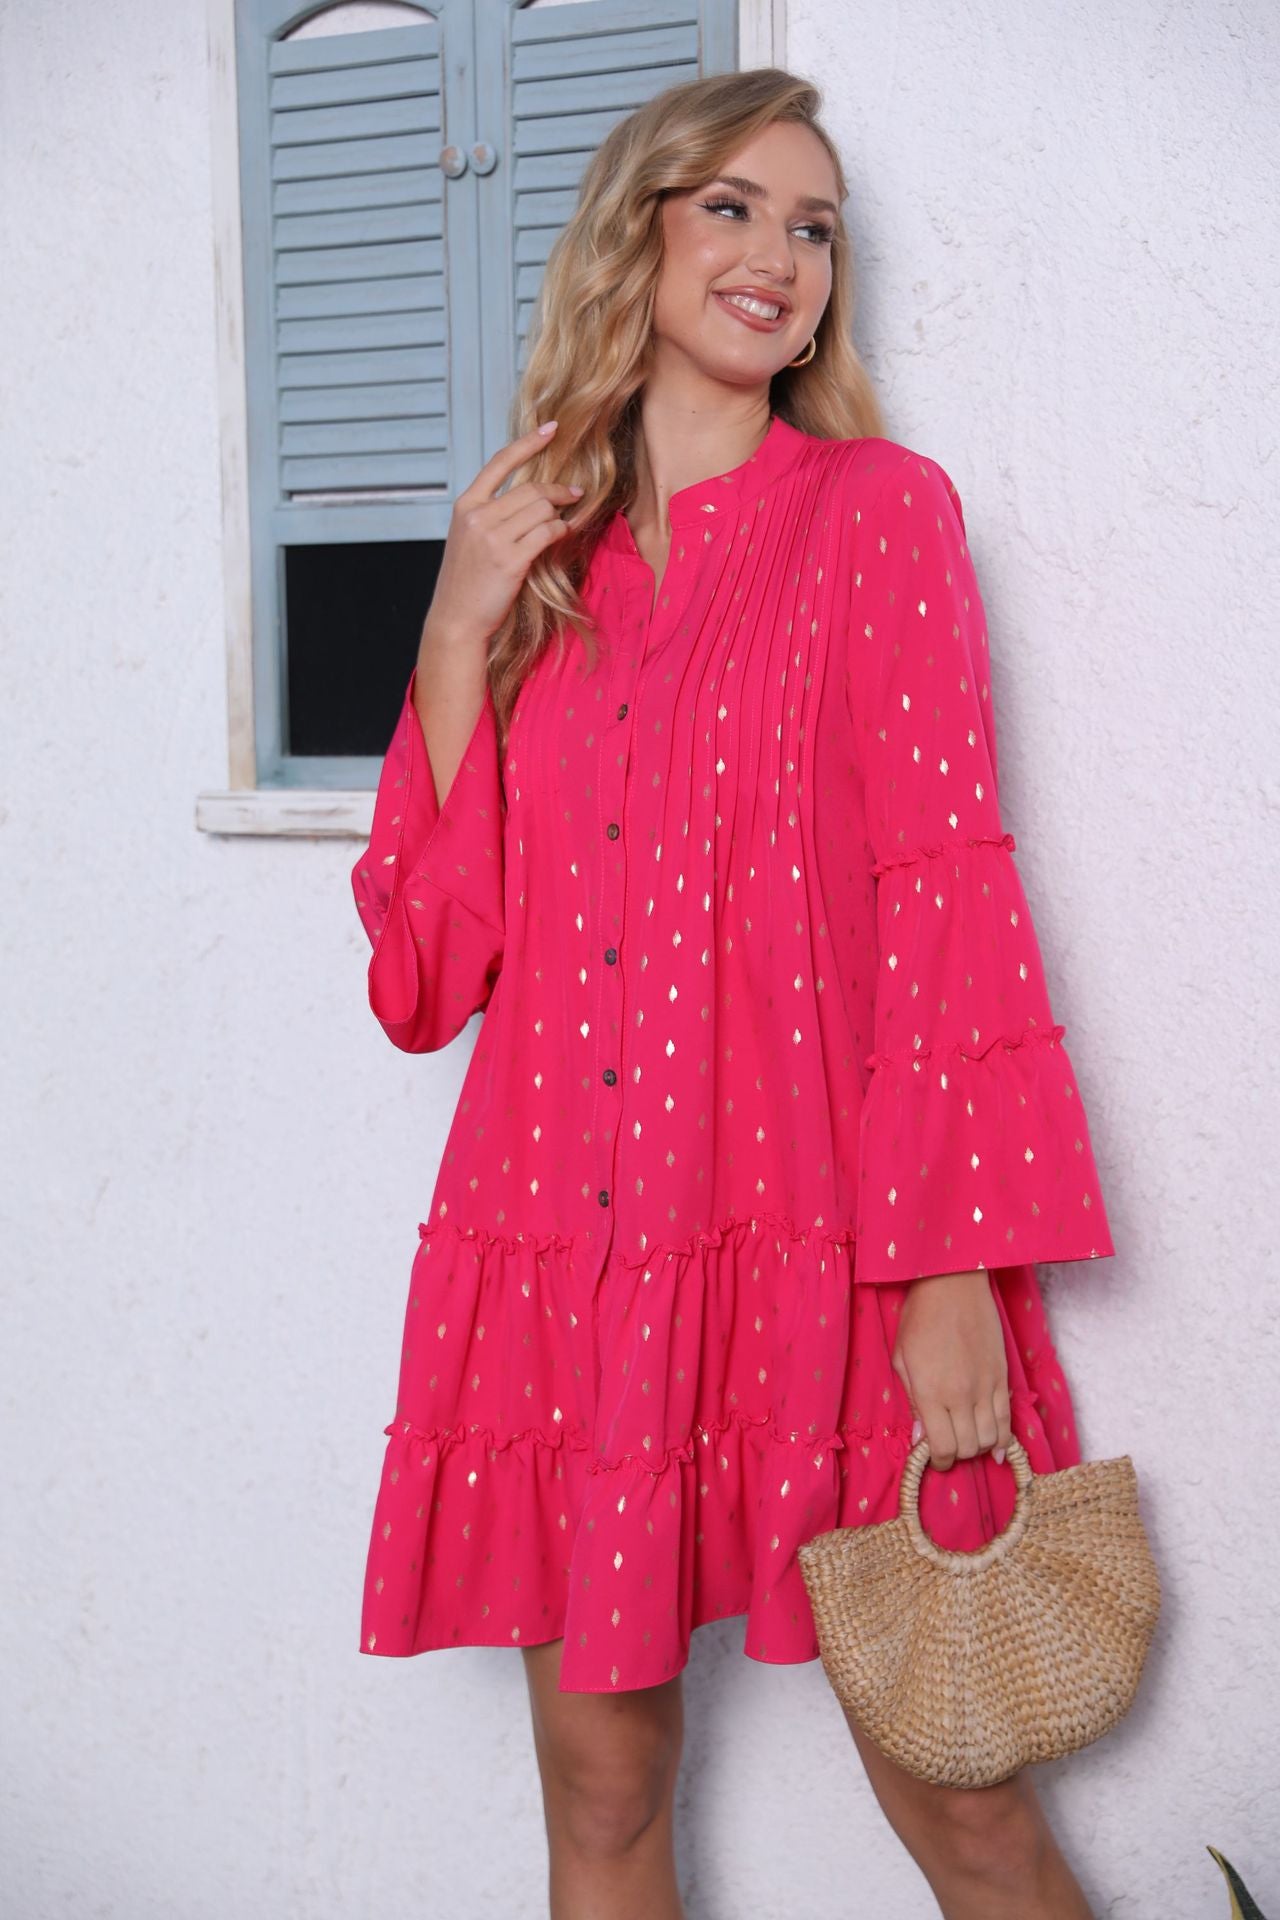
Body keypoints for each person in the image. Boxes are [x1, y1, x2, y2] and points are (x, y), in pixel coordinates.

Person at [349, 65, 1113, 1920]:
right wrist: (454, 617)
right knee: (605, 1801)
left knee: (969, 1808)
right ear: (636, 235)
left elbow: (944, 892)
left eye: (815, 226)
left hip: (829, 1249)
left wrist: (947, 1276)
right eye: (734, 206)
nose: (781, 254)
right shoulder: (535, 560)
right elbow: (430, 974)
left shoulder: (876, 513)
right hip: (567, 1260)